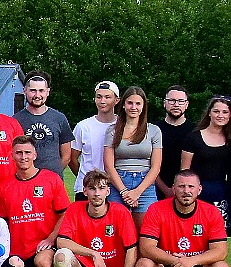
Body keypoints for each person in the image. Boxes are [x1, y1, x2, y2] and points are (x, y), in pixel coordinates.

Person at [136, 170, 230, 267]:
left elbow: (220, 251)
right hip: (166, 266)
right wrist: (177, 261)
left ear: (199, 189)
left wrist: (191, 261)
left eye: (191, 187)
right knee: (143, 266)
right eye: (181, 186)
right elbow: (146, 248)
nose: (186, 191)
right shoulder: (156, 209)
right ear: (173, 189)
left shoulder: (211, 212)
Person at [0, 135, 70, 267]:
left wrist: (51, 238)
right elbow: (3, 223)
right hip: (19, 253)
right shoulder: (5, 186)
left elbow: (64, 214)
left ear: (35, 154)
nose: (23, 157)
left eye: (27, 152)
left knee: (43, 263)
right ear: (12, 155)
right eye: (19, 153)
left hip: (43, 247)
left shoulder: (51, 179)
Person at [54, 170, 138, 267]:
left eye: (101, 188)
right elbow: (61, 242)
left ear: (108, 191)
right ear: (85, 191)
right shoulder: (75, 209)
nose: (97, 193)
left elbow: (132, 250)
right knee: (61, 256)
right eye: (92, 189)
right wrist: (93, 254)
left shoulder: (120, 212)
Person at [104, 86, 163, 230]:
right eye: (130, 103)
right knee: (116, 231)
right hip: (118, 183)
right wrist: (124, 191)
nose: (133, 107)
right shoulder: (112, 130)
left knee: (146, 232)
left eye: (138, 103)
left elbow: (155, 166)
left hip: (145, 185)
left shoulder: (154, 131)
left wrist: (137, 192)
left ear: (143, 106)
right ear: (123, 105)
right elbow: (108, 165)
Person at [180, 96, 231, 229]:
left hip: (222, 193)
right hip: (198, 193)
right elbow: (184, 171)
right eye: (216, 111)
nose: (220, 115)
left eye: (225, 112)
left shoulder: (229, 139)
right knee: (197, 231)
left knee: (220, 233)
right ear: (209, 113)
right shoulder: (193, 138)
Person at [14, 70, 74, 177]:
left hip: (53, 181)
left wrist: (52, 175)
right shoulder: (15, 120)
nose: (37, 95)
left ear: (48, 91)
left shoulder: (59, 118)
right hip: (25, 180)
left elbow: (66, 156)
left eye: (41, 90)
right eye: (33, 91)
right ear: (24, 91)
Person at [70, 81, 119, 201]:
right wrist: (87, 178)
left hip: (114, 189)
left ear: (116, 100)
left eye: (107, 97)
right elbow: (72, 158)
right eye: (99, 97)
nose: (102, 101)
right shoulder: (83, 126)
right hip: (86, 190)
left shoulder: (123, 125)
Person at [155, 86, 193, 200]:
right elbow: (148, 163)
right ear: (164, 103)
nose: (176, 104)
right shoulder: (153, 129)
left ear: (186, 104)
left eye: (181, 101)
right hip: (155, 189)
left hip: (188, 192)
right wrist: (166, 189)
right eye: (172, 100)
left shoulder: (196, 131)